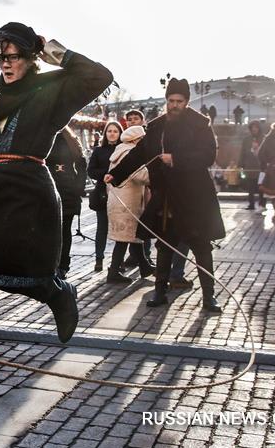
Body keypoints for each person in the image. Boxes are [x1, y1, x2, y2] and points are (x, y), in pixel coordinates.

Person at [0, 22, 113, 343]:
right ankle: (54, 291)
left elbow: (101, 77)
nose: (6, 63)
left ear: (31, 57)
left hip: (28, 189)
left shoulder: (50, 89)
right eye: (0, 56)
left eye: (14, 56)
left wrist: (54, 52)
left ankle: (57, 295)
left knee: (25, 269)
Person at [106, 78, 225, 312]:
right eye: (171, 101)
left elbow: (208, 155)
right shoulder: (157, 126)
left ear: (187, 102)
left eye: (179, 101)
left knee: (201, 247)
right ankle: (160, 292)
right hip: (167, 197)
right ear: (166, 101)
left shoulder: (201, 124)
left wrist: (177, 160)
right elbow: (139, 154)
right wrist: (116, 173)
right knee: (164, 245)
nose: (174, 105)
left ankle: (209, 297)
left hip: (194, 198)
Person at [105, 125, 154, 284]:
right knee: (123, 238)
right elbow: (140, 175)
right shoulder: (128, 153)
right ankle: (113, 272)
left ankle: (145, 266)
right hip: (127, 202)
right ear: (136, 140)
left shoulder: (118, 150)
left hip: (119, 200)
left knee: (132, 235)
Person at [46, 126, 86, 279]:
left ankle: (62, 265)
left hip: (68, 191)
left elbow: (82, 163)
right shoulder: (44, 134)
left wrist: (78, 187)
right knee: (48, 231)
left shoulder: (70, 139)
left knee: (64, 230)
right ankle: (50, 264)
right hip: (48, 189)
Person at [88, 121, 123, 272]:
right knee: (102, 227)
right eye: (109, 131)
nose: (112, 133)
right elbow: (91, 171)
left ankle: (117, 262)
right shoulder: (98, 151)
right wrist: (106, 174)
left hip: (120, 192)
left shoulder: (124, 149)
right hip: (102, 192)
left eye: (115, 131)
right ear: (105, 133)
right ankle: (99, 259)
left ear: (120, 133)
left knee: (120, 228)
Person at [240, 120, 265, 210]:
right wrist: (241, 164)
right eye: (252, 127)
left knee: (261, 187)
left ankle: (262, 204)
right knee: (250, 187)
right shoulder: (247, 139)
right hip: (249, 166)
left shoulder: (264, 138)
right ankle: (251, 204)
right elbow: (242, 152)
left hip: (260, 167)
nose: (254, 129)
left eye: (256, 127)